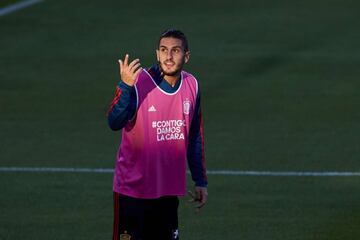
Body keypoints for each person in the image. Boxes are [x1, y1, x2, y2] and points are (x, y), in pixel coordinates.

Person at [107, 29, 208, 240]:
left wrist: (200, 180)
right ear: (157, 53)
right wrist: (125, 86)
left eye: (175, 51)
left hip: (167, 191)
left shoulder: (192, 85)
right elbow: (114, 122)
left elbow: (194, 137)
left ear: (186, 56)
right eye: (163, 50)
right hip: (133, 192)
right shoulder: (138, 83)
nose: (168, 57)